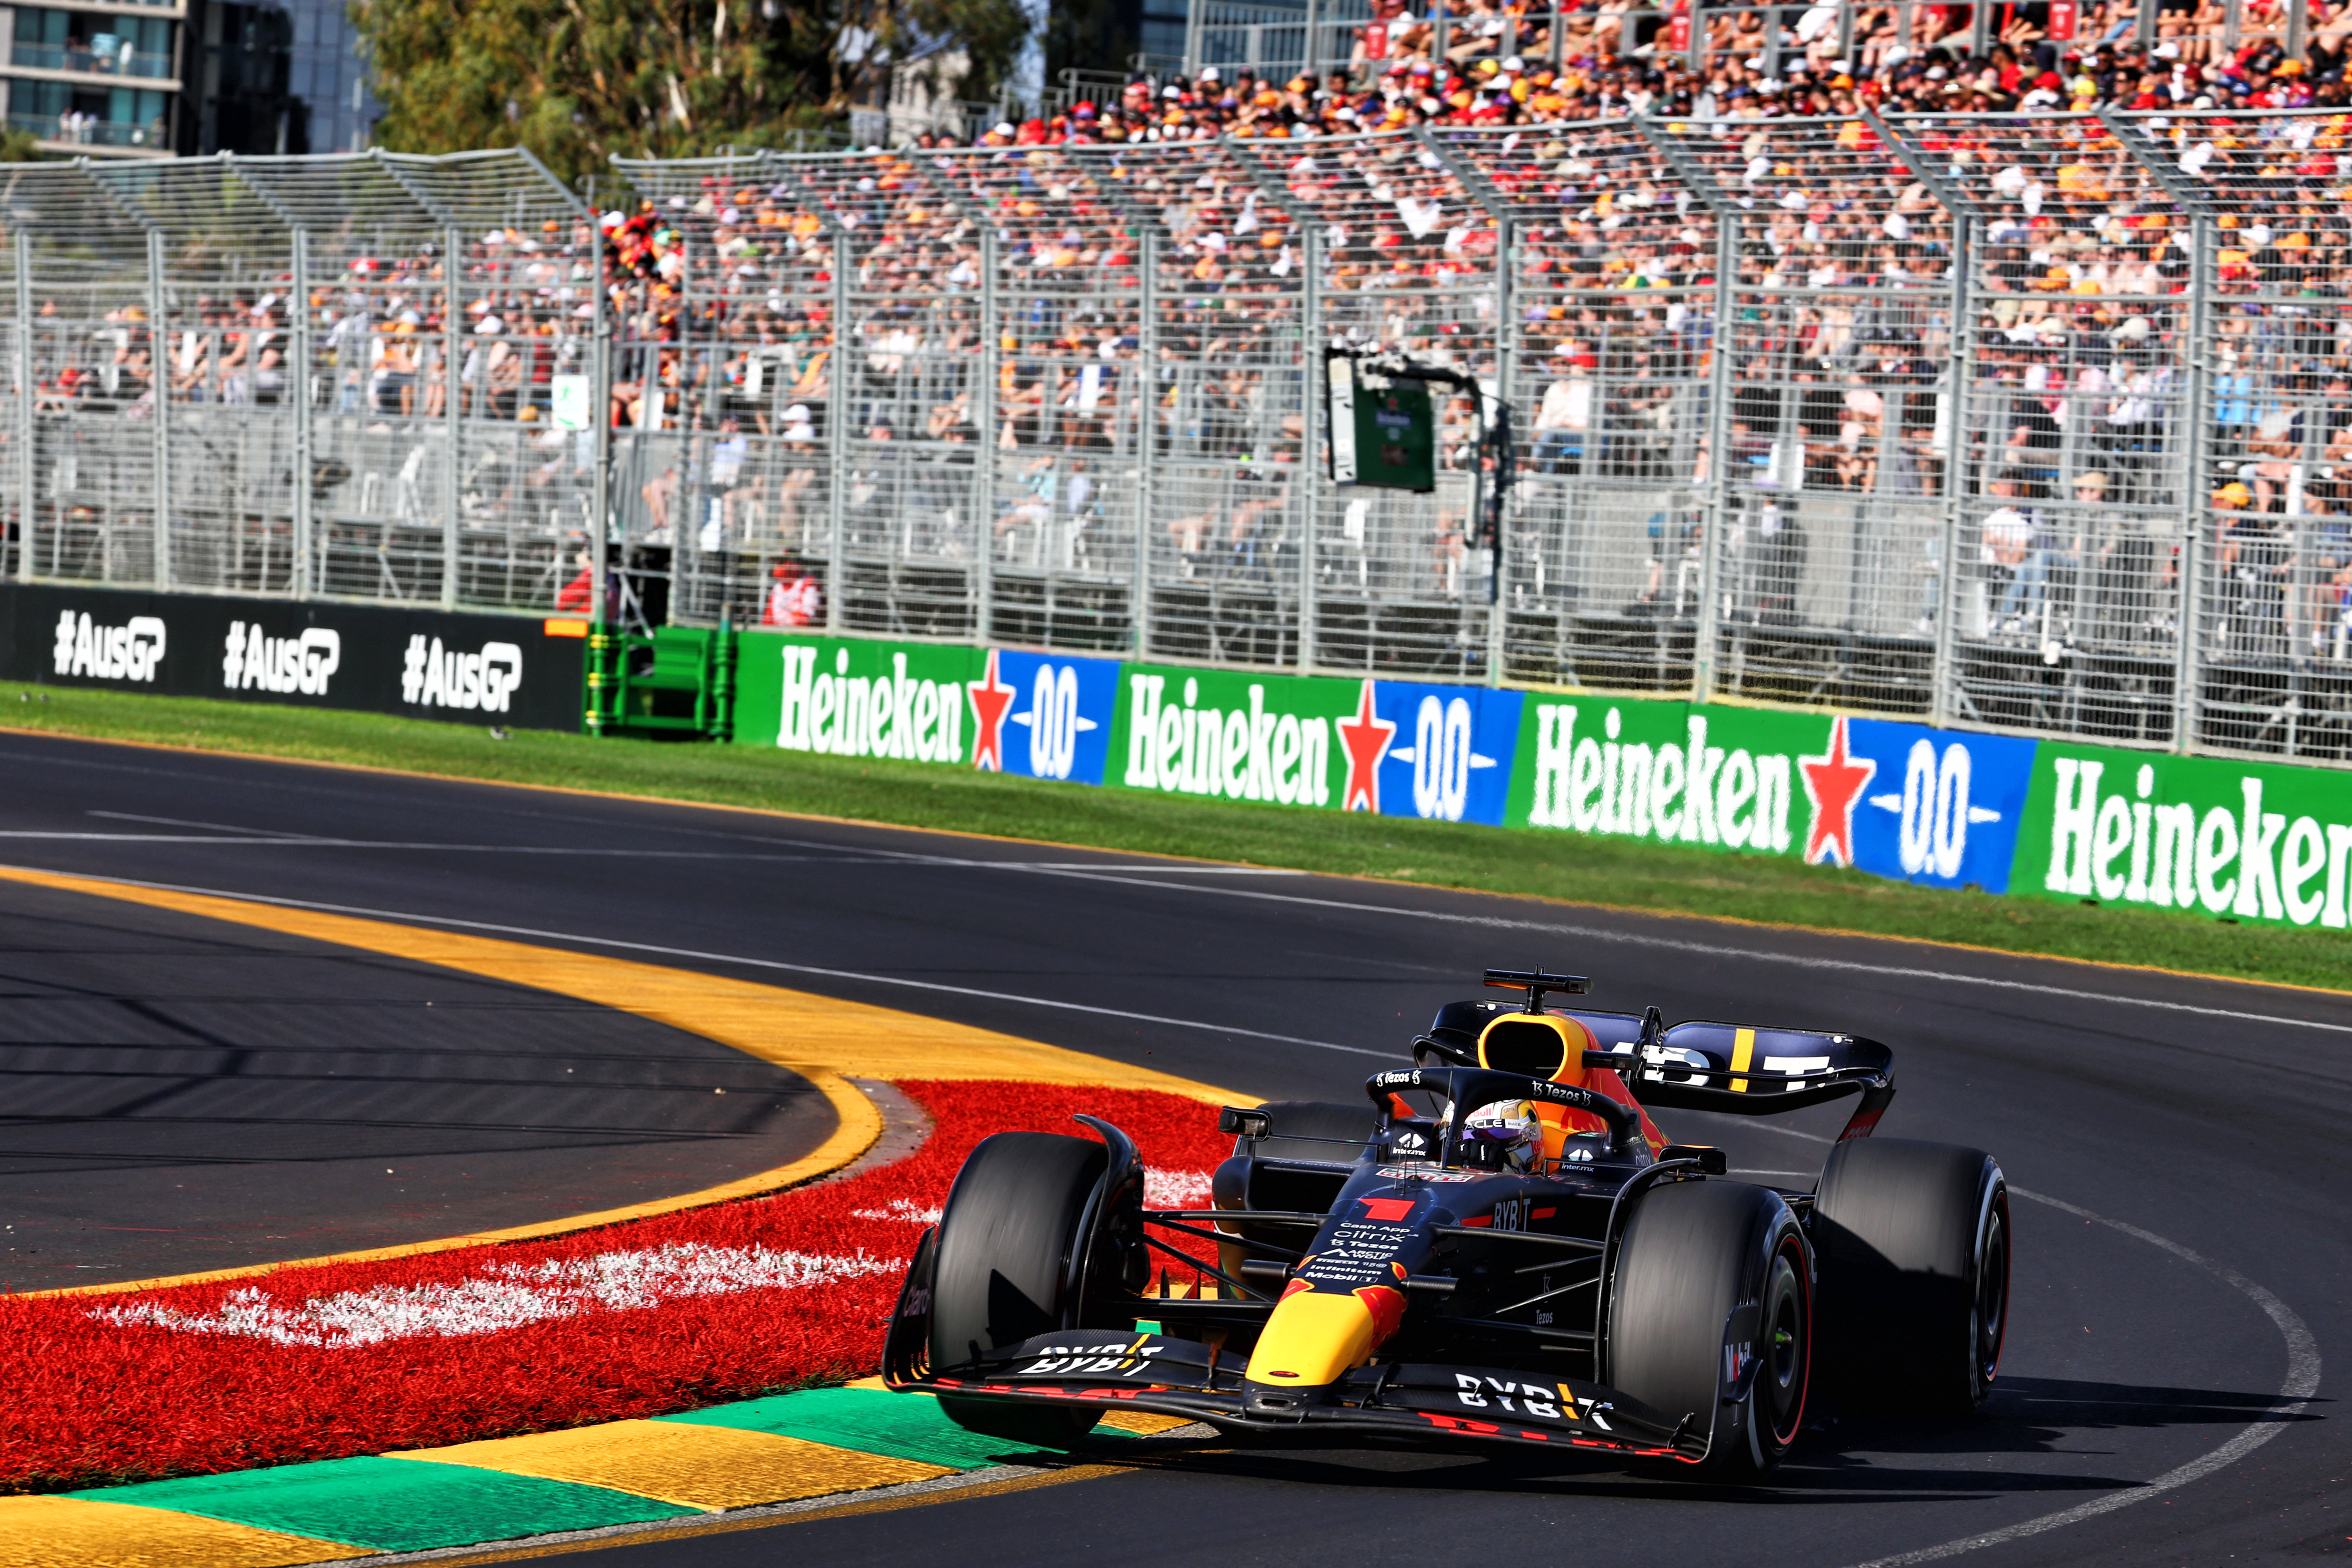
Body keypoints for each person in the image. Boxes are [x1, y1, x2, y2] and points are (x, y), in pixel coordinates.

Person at [762, 559, 823, 627]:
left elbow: (807, 617)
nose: (776, 567)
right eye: (775, 563)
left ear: (795, 565)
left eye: (781, 563)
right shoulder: (777, 587)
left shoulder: (808, 583)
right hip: (778, 633)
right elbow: (768, 619)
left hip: (800, 634)